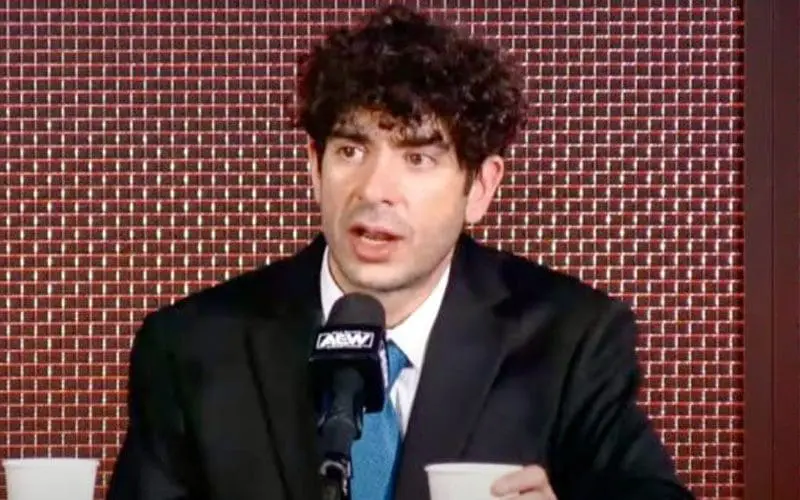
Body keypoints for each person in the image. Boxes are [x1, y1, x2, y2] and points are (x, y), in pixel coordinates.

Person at [108, 4, 694, 500]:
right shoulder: (193, 347)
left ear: (480, 188)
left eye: (418, 158)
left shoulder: (570, 340)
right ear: (314, 167)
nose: (374, 190)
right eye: (350, 151)